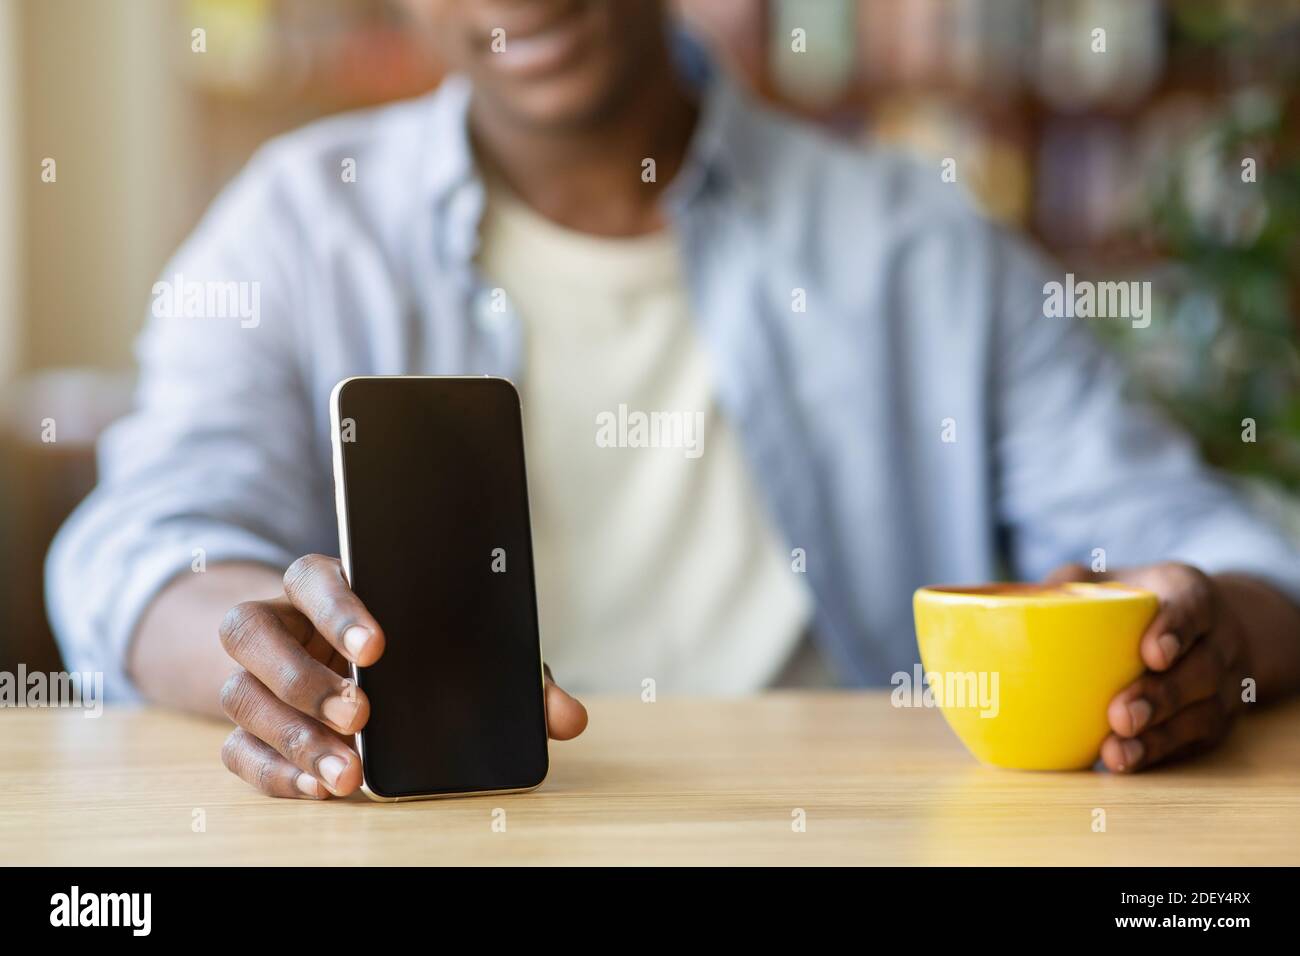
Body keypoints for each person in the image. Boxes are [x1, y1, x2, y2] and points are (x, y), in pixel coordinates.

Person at [47, 0, 1300, 799]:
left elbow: (1215, 547)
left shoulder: (918, 243)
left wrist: (1210, 639)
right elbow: (141, 544)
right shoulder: (295, 224)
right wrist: (254, 646)